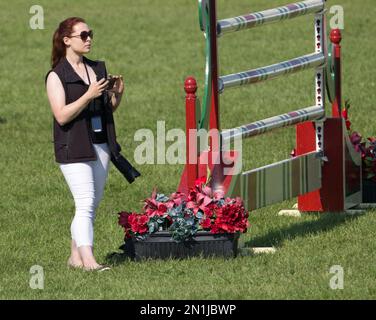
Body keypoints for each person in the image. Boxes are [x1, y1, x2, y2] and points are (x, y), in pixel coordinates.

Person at [45, 17, 139, 271]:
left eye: (90, 34)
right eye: (83, 35)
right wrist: (88, 95)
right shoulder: (56, 76)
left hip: (100, 144)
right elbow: (62, 115)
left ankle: (74, 257)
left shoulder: (97, 68)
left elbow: (106, 110)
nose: (89, 39)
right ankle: (89, 261)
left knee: (91, 204)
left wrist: (117, 93)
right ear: (67, 40)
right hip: (73, 147)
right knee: (85, 201)